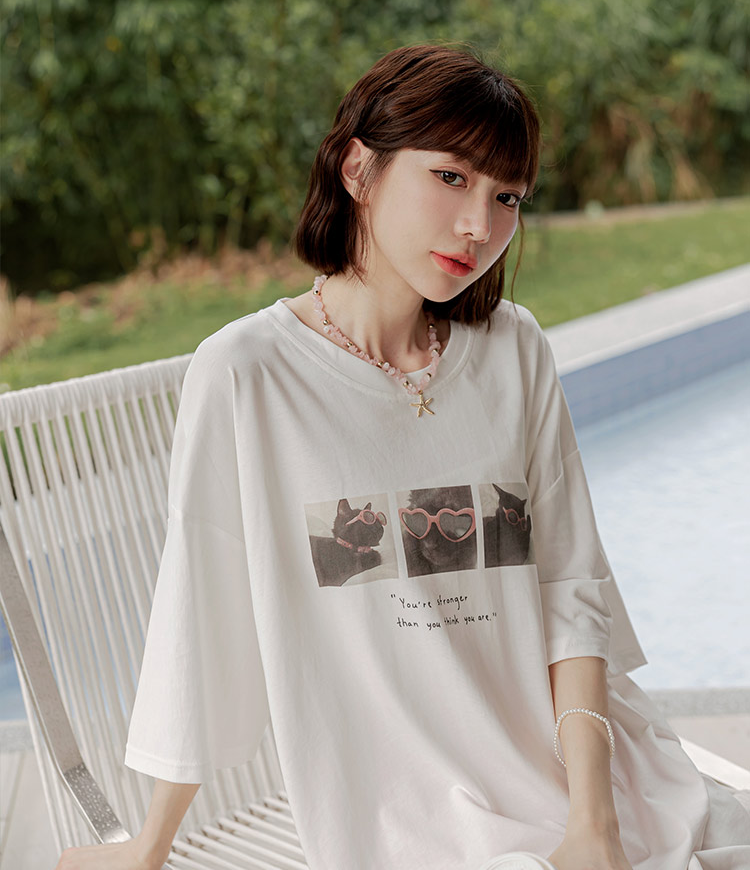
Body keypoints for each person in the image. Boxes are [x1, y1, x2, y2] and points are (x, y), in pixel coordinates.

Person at [56, 45, 750, 870]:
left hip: (589, 783)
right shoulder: (248, 373)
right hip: (406, 815)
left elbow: (571, 589)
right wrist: (150, 845)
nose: (479, 226)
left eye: (507, 197)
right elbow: (202, 614)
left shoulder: (513, 349)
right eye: (450, 177)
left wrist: (593, 824)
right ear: (358, 169)